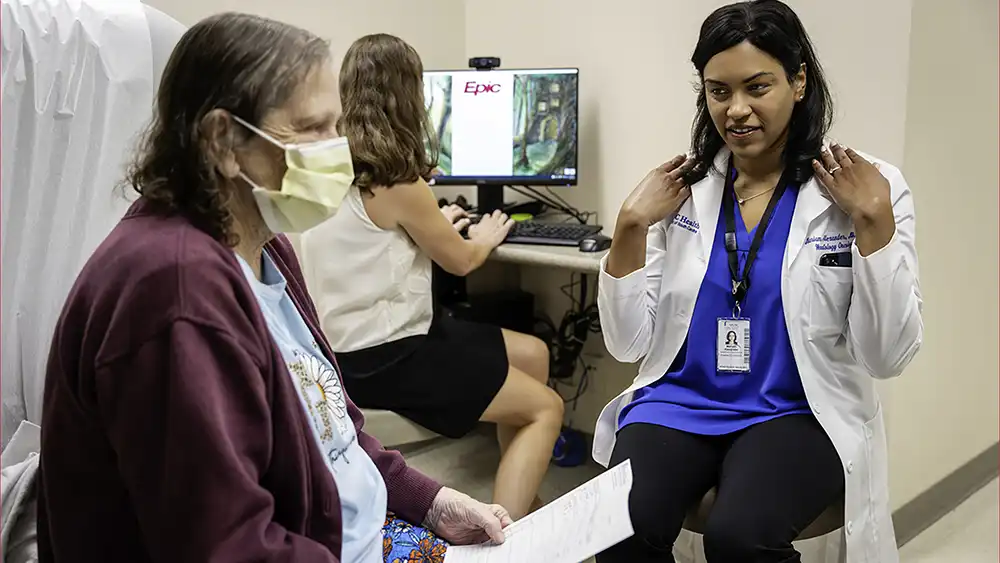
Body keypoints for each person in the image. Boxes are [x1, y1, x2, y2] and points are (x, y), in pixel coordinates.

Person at [37, 13, 511, 563]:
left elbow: (333, 428)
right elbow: (227, 547)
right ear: (224, 141)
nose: (337, 148)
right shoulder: (175, 293)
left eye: (338, 126)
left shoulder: (265, 246)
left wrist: (430, 502)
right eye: (312, 128)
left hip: (348, 534)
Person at [594, 1, 922, 562]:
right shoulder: (684, 189)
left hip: (796, 410)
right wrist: (628, 226)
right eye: (718, 91)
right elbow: (628, 345)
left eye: (757, 86)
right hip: (679, 403)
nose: (736, 110)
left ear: (798, 81)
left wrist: (874, 225)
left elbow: (887, 357)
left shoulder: (866, 187)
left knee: (739, 538)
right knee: (617, 525)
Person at [299, 33, 564, 521]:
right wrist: (484, 235)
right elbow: (461, 263)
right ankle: (502, 540)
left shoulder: (337, 165)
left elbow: (374, 240)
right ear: (407, 96)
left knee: (535, 352)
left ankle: (517, 494)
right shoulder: (398, 181)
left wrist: (439, 225)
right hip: (387, 357)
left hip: (347, 346)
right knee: (546, 407)